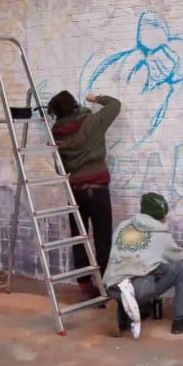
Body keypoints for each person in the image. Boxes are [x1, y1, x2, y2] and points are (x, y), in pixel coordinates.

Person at [48, 91, 122, 300]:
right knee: (103, 238)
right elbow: (115, 104)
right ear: (73, 104)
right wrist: (96, 98)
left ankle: (85, 286)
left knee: (79, 237)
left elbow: (59, 168)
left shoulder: (56, 132)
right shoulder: (92, 121)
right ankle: (104, 285)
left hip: (75, 191)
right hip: (97, 188)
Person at [102, 193, 183, 340]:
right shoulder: (161, 235)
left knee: (143, 268)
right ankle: (182, 320)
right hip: (138, 289)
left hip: (112, 284)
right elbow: (182, 256)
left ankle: (123, 311)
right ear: (162, 214)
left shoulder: (123, 226)